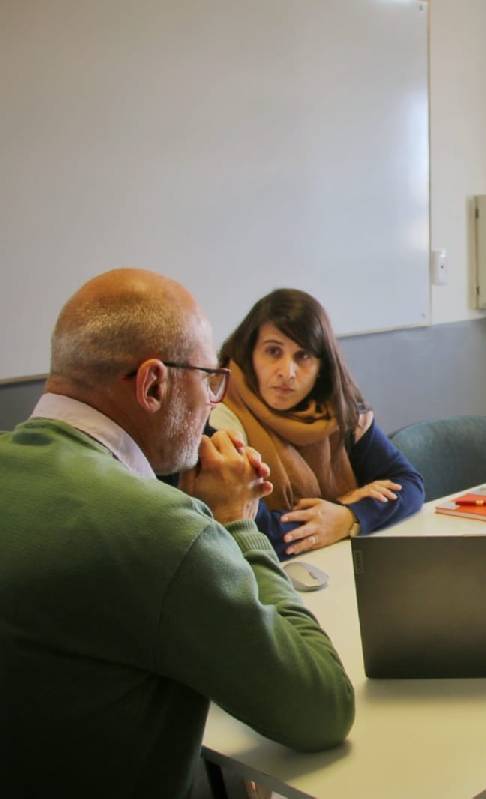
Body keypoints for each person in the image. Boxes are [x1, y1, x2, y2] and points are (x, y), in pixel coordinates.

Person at [0, 269, 354, 798]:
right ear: (153, 384)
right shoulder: (163, 531)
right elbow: (323, 707)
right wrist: (237, 522)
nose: (214, 403)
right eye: (210, 380)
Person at [210, 289, 424, 559]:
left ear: (322, 365)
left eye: (303, 357)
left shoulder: (338, 411)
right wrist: (342, 504)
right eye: (273, 351)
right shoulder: (221, 416)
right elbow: (253, 531)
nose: (287, 372)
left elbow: (409, 485)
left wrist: (348, 517)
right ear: (249, 353)